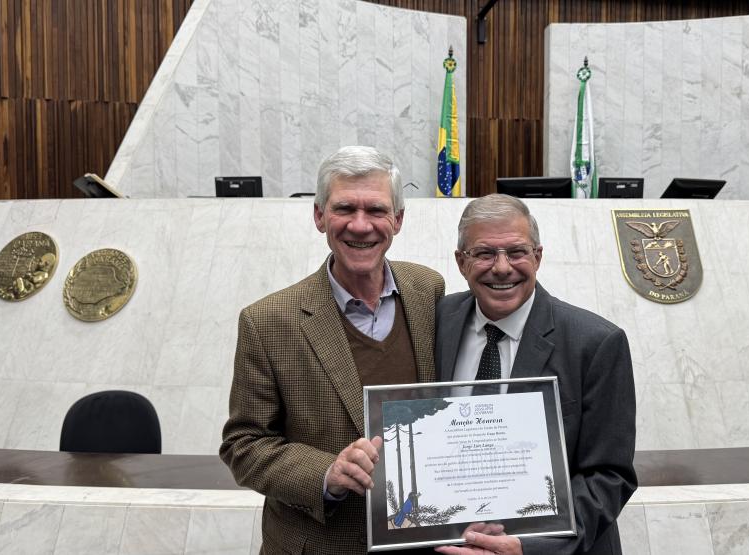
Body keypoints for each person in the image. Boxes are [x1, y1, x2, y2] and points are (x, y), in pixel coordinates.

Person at [220, 146, 445, 554]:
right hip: (321, 544)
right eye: (345, 209)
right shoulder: (268, 321)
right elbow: (244, 444)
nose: (361, 226)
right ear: (320, 216)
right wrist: (326, 473)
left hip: (423, 540)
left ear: (397, 219)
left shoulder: (428, 290)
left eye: (376, 210)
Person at [434, 194, 637, 555]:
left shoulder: (596, 343)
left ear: (537, 257)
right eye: (484, 253)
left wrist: (531, 547)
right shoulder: (434, 323)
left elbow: (609, 475)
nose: (501, 268)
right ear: (461, 262)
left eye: (516, 252)